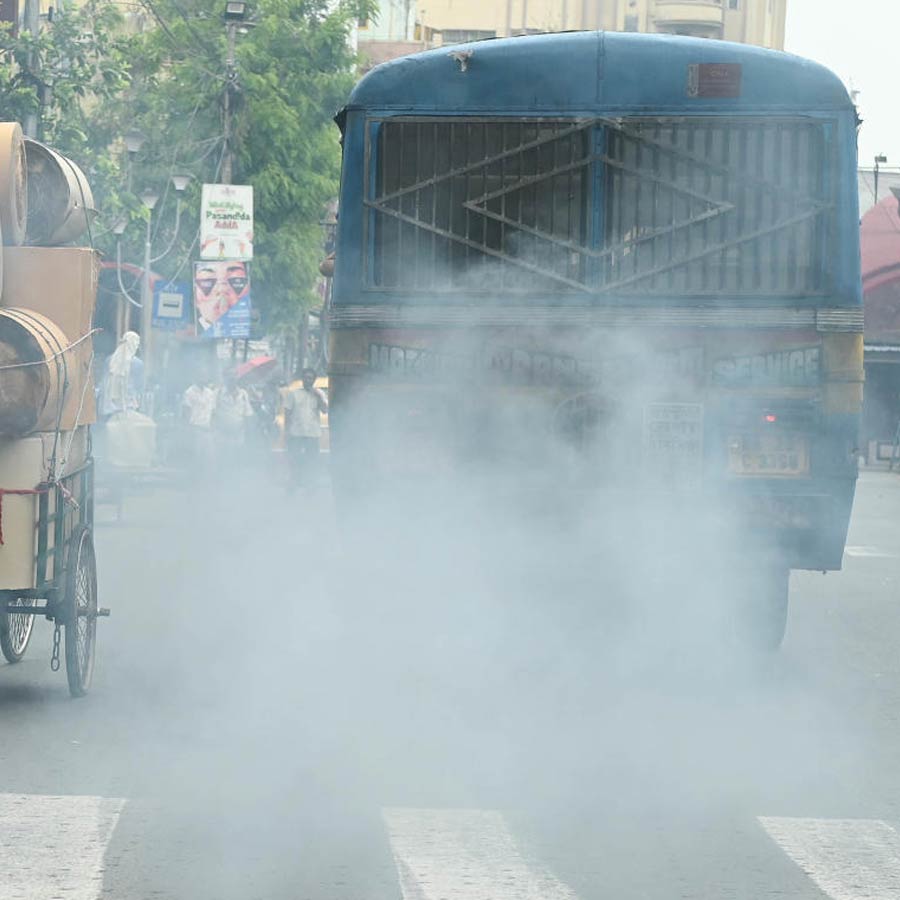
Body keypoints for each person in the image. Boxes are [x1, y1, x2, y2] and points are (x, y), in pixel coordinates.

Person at [282, 368, 327, 487]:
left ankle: (310, 485)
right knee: (295, 461)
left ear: (314, 380)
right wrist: (287, 433)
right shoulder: (293, 394)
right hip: (296, 433)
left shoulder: (320, 393)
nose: (308, 380)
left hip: (313, 434)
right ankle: (294, 483)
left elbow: (324, 410)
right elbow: (287, 414)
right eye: (306, 378)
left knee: (312, 461)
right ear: (302, 379)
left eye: (311, 378)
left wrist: (318, 396)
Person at [100, 331, 144, 418]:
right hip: (128, 407)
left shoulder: (109, 360)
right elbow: (139, 386)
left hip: (109, 407)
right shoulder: (138, 363)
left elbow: (104, 383)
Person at [182, 377, 217, 469]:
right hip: (195, 429)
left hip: (208, 430)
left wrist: (213, 428)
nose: (204, 378)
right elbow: (186, 411)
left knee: (209, 460)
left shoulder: (210, 393)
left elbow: (213, 411)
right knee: (196, 459)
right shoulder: (189, 392)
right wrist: (188, 429)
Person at [214, 372, 254, 447]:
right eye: (229, 376)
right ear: (225, 378)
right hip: (221, 438)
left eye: (234, 376)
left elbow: (248, 414)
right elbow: (211, 412)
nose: (232, 378)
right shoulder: (217, 393)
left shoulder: (243, 394)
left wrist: (250, 434)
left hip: (238, 438)